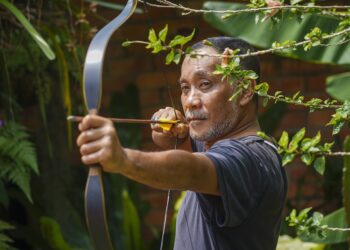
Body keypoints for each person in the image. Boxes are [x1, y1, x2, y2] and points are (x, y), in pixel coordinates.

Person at [76, 37, 288, 250]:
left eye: (205, 84)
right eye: (186, 88)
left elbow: (191, 170)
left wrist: (123, 159)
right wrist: (175, 136)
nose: (190, 101)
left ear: (244, 90)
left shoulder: (252, 159)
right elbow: (187, 152)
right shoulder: (215, 143)